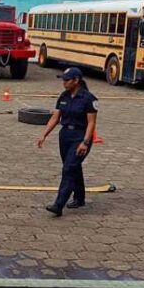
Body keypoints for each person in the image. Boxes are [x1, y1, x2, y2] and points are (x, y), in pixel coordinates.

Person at [36, 67, 99, 217]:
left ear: (76, 80)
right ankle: (79, 198)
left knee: (69, 168)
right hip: (65, 135)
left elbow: (91, 123)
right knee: (73, 166)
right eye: (63, 80)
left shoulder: (89, 99)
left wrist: (85, 142)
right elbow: (55, 117)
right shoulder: (63, 96)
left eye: (67, 80)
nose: (64, 83)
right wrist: (44, 134)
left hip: (80, 136)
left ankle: (58, 205)